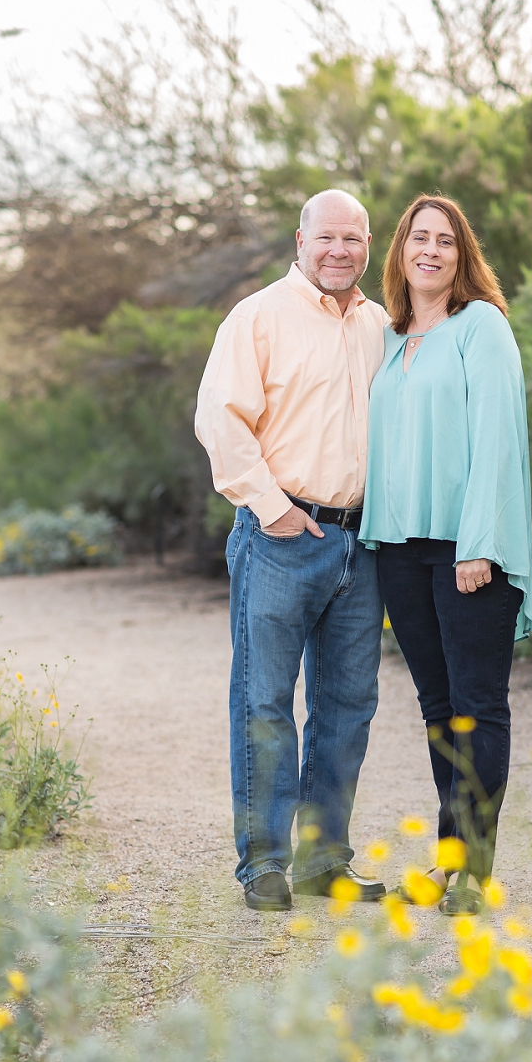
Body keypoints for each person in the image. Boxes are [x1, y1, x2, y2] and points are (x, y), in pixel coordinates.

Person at [195, 189, 390, 911]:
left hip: (359, 541)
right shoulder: (258, 317)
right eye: (328, 237)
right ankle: (264, 864)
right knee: (265, 703)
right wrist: (272, 509)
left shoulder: (379, 325)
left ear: (369, 246)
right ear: (300, 240)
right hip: (280, 537)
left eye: (355, 238)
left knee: (347, 705)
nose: (341, 250)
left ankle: (322, 860)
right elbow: (220, 418)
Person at [359, 194, 532, 916]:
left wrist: (479, 545)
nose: (430, 250)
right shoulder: (392, 335)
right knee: (437, 708)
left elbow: (497, 439)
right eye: (418, 238)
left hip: (470, 551)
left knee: (476, 705)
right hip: (400, 550)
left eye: (445, 240)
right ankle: (447, 856)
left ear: (462, 255)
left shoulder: (482, 327)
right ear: (400, 251)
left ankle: (476, 869)